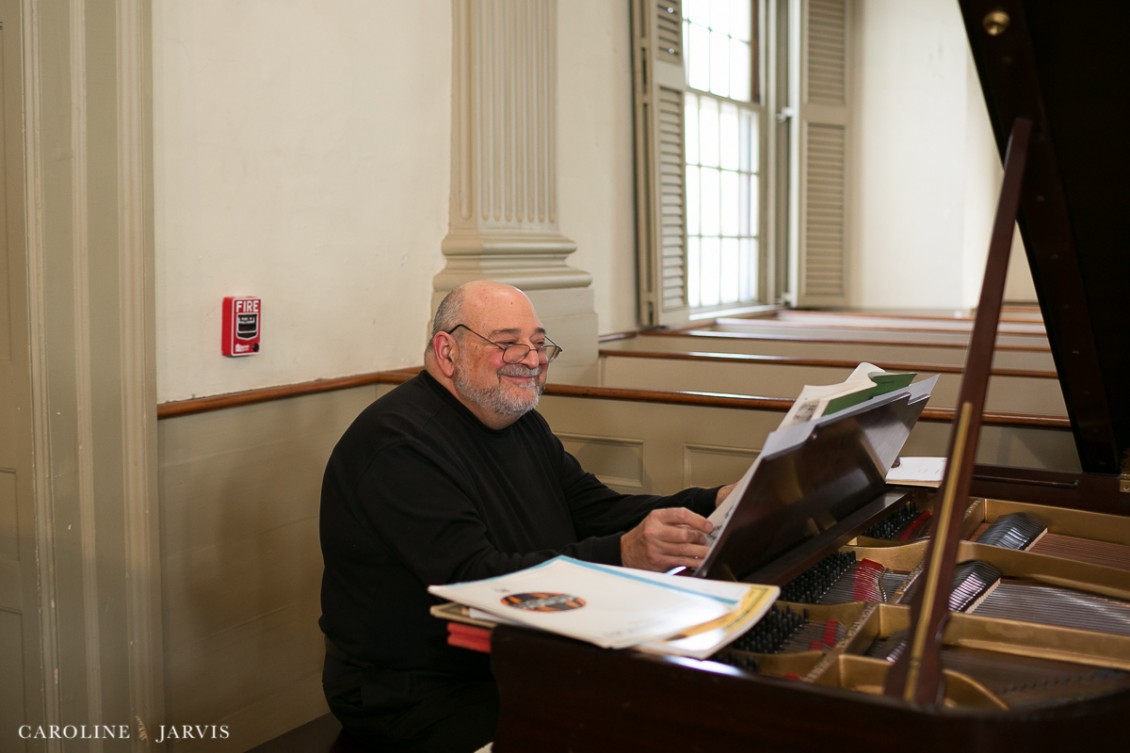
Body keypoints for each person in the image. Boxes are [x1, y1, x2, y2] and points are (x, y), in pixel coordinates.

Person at [319, 280, 734, 752]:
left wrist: (714, 501)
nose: (532, 359)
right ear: (447, 351)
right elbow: (473, 578)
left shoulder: (517, 420)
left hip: (519, 656)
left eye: (538, 343)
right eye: (507, 342)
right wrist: (624, 553)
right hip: (419, 691)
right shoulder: (398, 444)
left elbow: (597, 509)